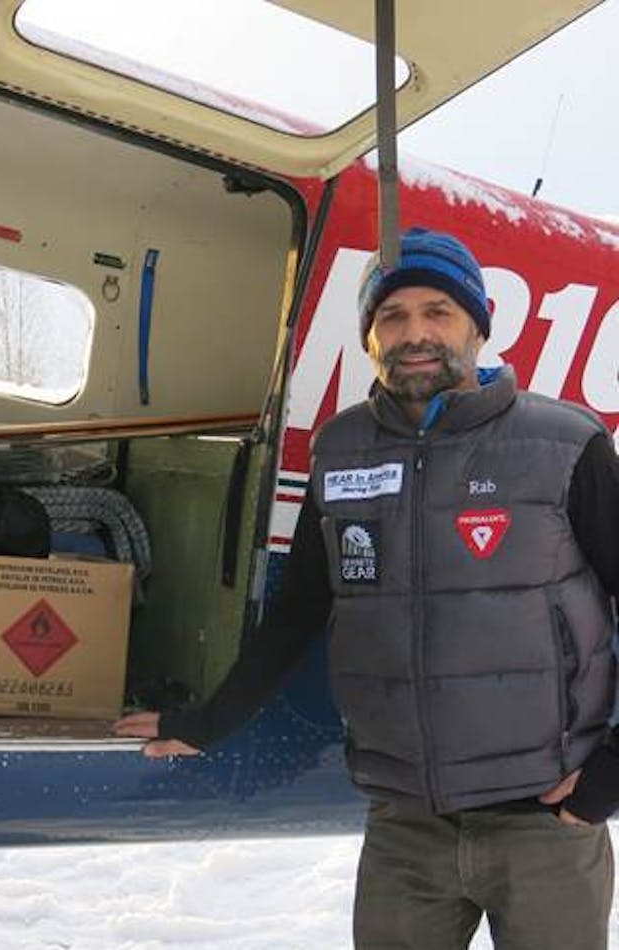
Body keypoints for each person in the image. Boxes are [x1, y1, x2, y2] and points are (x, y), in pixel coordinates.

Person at [116, 227, 619, 949]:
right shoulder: (339, 450)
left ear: (478, 326)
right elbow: (299, 612)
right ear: (370, 339)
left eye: (437, 311)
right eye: (392, 316)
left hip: (546, 822)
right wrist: (208, 720)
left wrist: (612, 775)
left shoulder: (565, 445)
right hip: (404, 831)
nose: (415, 333)